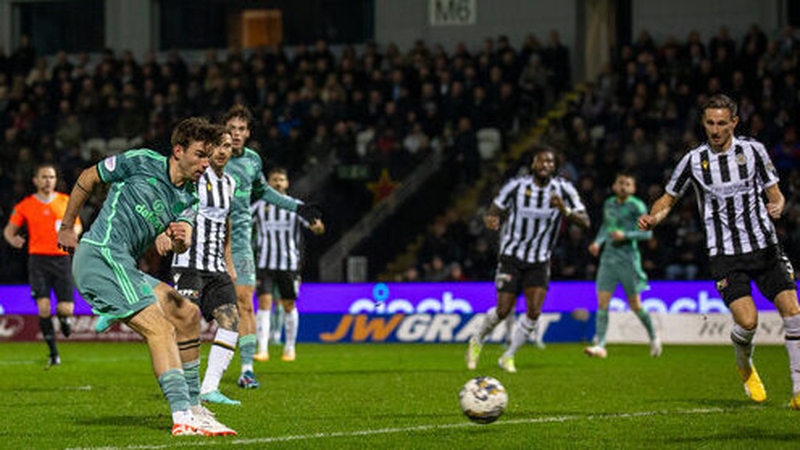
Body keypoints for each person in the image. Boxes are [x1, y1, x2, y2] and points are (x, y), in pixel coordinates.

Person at [56, 117, 236, 436]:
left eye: (209, 157)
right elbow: (88, 176)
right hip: (101, 255)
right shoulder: (141, 161)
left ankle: (195, 406)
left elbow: (184, 237)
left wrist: (181, 238)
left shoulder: (190, 195)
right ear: (178, 151)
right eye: (199, 154)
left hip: (124, 266)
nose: (205, 163)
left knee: (187, 313)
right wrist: (68, 227)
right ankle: (182, 416)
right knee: (160, 328)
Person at [638, 94, 800, 407]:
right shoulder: (693, 160)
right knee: (748, 322)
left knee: (793, 312)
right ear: (703, 123)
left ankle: (798, 390)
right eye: (710, 123)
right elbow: (668, 199)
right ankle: (744, 364)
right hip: (725, 255)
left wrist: (777, 206)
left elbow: (777, 195)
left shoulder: (753, 152)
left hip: (765, 247)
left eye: (722, 123)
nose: (715, 129)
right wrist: (653, 217)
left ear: (734, 123)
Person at [222, 104, 321, 389]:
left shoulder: (252, 161)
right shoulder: (212, 157)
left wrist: (297, 207)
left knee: (245, 303)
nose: (237, 134)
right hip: (208, 240)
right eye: (231, 129)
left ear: (248, 133)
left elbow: (264, 191)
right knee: (188, 306)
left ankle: (247, 369)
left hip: (241, 243)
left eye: (241, 129)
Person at [466, 147, 590, 373]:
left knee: (534, 311)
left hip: (540, 259)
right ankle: (477, 338)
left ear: (555, 166)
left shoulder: (564, 189)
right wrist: (492, 219)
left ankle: (508, 356)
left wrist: (565, 210)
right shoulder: (516, 186)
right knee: (503, 310)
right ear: (533, 164)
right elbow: (495, 208)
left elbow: (586, 222)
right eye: (541, 161)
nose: (546, 165)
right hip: (512, 256)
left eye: (550, 162)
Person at [168, 128, 241, 406]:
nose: (223, 151)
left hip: (216, 266)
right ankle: (127, 306)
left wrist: (230, 261)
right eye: (218, 146)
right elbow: (172, 203)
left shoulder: (231, 183)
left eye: (227, 146)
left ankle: (209, 388)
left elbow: (227, 224)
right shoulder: (196, 175)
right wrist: (164, 234)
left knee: (231, 321)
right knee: (184, 326)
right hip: (188, 264)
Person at [3, 163, 82, 367]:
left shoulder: (65, 202)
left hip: (62, 259)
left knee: (66, 309)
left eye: (52, 177)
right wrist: (14, 240)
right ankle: (54, 354)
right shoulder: (25, 205)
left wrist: (73, 235)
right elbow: (9, 231)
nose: (48, 181)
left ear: (56, 180)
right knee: (44, 307)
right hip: (38, 261)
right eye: (44, 177)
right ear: (36, 180)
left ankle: (65, 319)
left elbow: (78, 225)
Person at [584, 171, 661, 359]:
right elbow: (606, 226)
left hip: (628, 261)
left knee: (635, 305)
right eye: (620, 183)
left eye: (627, 184)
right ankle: (600, 345)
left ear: (633, 188)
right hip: (608, 260)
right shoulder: (608, 203)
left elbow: (647, 234)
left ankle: (653, 337)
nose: (623, 186)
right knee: (602, 303)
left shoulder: (637, 206)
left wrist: (625, 235)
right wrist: (597, 242)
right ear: (614, 186)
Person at [252, 167, 325, 362]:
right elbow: (242, 224)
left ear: (287, 183)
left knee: (288, 305)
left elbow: (317, 227)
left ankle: (290, 348)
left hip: (289, 264)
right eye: (274, 179)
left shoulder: (296, 206)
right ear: (268, 183)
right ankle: (262, 349)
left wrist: (317, 227)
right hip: (264, 263)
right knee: (264, 304)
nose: (277, 183)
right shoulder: (260, 206)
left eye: (281, 180)